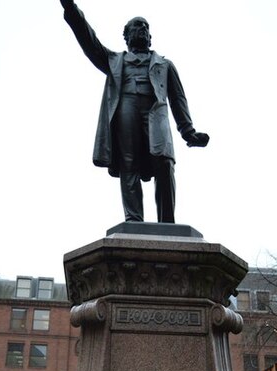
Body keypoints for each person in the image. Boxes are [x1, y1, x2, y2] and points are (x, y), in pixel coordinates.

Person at [59, 1, 209, 223]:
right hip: (126, 107)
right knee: (129, 162)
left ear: (150, 37)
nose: (142, 29)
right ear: (126, 37)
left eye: (145, 27)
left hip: (155, 111)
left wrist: (188, 131)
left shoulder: (165, 65)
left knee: (165, 163)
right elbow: (88, 40)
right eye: (136, 26)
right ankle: (133, 220)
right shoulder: (113, 60)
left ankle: (167, 222)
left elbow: (178, 99)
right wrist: (70, 8)